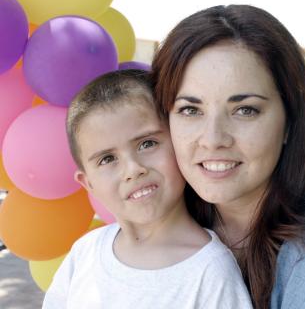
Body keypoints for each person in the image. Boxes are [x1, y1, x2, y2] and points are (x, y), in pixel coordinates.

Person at [151, 5, 305, 308]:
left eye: (245, 110)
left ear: (290, 121)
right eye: (191, 110)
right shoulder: (155, 213)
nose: (213, 139)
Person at [42, 70, 253, 308]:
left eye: (147, 144)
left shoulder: (211, 272)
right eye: (107, 159)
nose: (133, 169)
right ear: (88, 183)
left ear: (178, 142)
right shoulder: (84, 254)